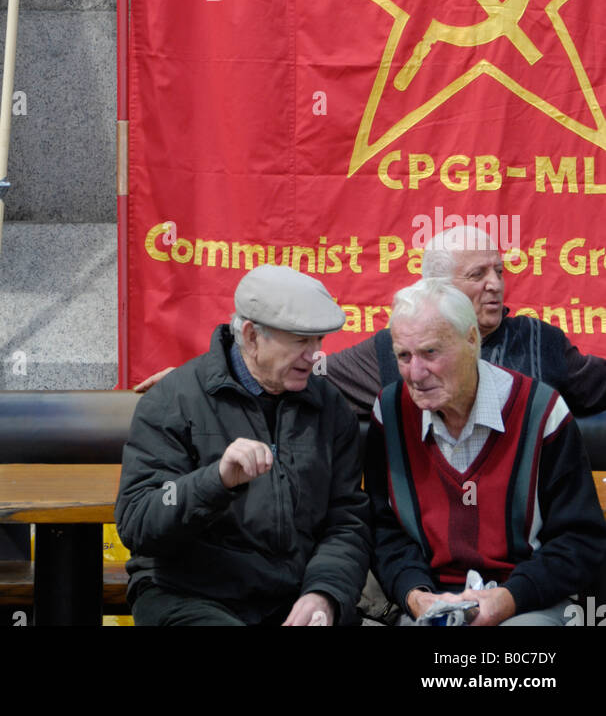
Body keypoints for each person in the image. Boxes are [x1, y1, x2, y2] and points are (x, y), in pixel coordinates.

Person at [115, 264, 370, 626]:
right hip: (189, 597)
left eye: (319, 341)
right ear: (251, 336)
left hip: (293, 596)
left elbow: (346, 522)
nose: (315, 355)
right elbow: (138, 521)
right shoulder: (173, 400)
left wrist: (325, 594)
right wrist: (215, 480)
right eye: (300, 340)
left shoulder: (329, 407)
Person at [365, 279, 606, 626]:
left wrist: (509, 599)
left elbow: (580, 539)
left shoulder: (541, 412)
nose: (415, 373)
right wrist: (414, 594)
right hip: (430, 599)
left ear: (472, 341)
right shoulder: (389, 412)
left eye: (431, 352)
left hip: (526, 600)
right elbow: (383, 531)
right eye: (404, 356)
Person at [326, 223, 606, 418]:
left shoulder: (541, 342)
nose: (495, 284)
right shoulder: (394, 348)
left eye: (498, 271)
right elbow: (310, 377)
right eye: (477, 275)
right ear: (437, 286)